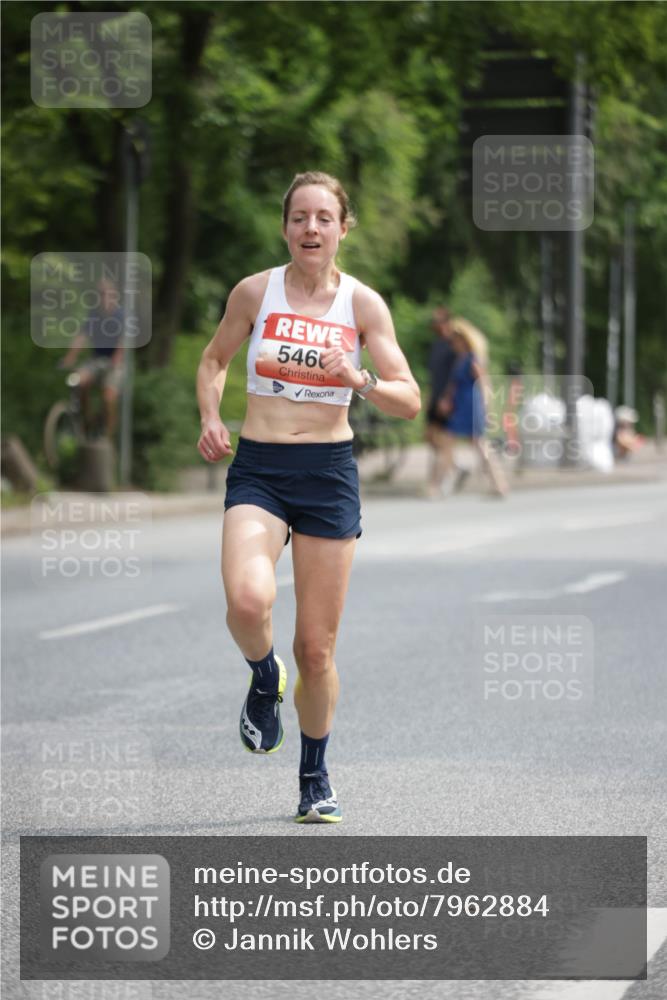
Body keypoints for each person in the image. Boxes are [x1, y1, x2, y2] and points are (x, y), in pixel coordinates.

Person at [196, 171, 420, 823]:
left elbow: (406, 397)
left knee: (316, 650)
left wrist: (359, 378)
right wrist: (211, 417)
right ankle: (263, 676)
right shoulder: (253, 292)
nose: (311, 229)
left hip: (327, 472)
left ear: (343, 228)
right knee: (246, 601)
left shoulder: (363, 305)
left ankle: (314, 776)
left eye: (324, 218)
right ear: (284, 226)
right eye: (299, 217)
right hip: (260, 467)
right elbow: (212, 361)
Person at [432, 317, 508, 497]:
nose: (453, 343)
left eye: (456, 339)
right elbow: (453, 385)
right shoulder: (461, 359)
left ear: (464, 339)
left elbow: (483, 382)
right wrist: (447, 400)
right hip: (460, 404)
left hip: (471, 404)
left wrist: (487, 407)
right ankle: (438, 485)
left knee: (479, 445)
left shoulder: (472, 359)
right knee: (451, 443)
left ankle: (499, 484)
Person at [60, 278, 124, 437]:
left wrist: (116, 359)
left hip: (115, 362)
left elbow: (125, 340)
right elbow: (81, 336)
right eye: (100, 294)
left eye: (106, 294)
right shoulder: (94, 314)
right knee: (78, 381)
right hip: (96, 360)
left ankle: (107, 436)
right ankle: (86, 421)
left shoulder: (120, 315)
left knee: (109, 397)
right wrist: (70, 357)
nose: (103, 298)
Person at [425, 307, 458, 497]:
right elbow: (433, 375)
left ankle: (436, 485)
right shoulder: (436, 345)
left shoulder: (454, 345)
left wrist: (448, 398)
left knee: (444, 443)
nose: (435, 325)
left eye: (438, 321)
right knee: (430, 438)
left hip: (448, 400)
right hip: (435, 397)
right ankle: (455, 467)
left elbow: (455, 376)